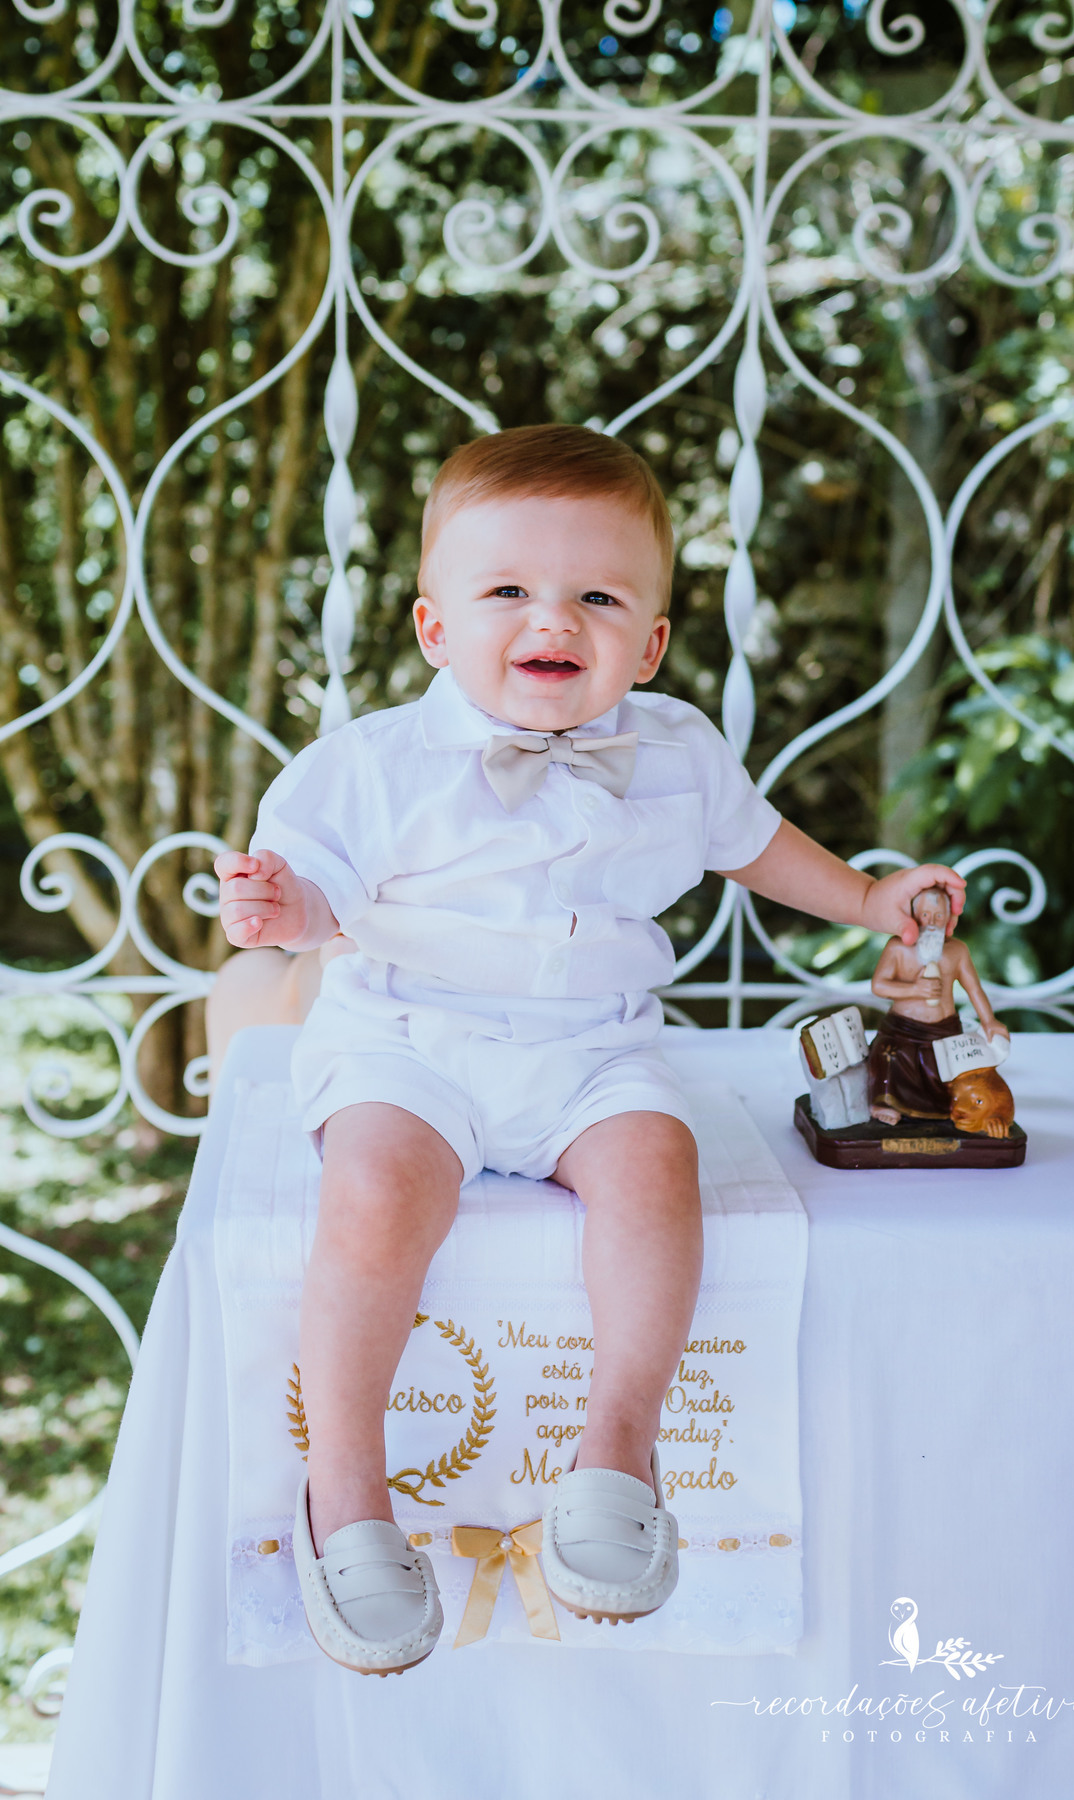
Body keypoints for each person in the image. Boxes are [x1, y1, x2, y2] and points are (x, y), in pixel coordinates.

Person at [214, 424, 966, 1675]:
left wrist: (871, 903)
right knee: (376, 1192)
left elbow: (758, 844)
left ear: (653, 641)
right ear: (435, 629)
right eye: (506, 589)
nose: (549, 616)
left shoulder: (674, 748)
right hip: (412, 1037)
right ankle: (344, 1483)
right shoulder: (373, 766)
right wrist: (281, 910)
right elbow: (319, 887)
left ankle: (619, 1440)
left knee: (653, 1170)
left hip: (589, 1047)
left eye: (597, 595)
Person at [867, 881, 1008, 1128]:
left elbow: (973, 988)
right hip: (903, 1029)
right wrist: (914, 989)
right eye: (924, 915)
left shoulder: (957, 951)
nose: (931, 922)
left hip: (944, 1029)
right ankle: (884, 1104)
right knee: (888, 1056)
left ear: (948, 919)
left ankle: (950, 1109)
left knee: (943, 1072)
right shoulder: (897, 948)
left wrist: (989, 1020)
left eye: (938, 916)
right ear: (912, 916)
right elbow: (879, 986)